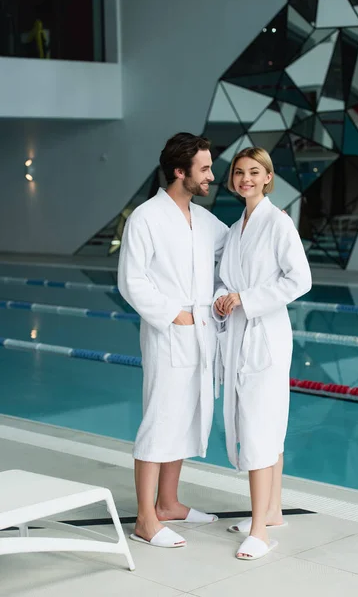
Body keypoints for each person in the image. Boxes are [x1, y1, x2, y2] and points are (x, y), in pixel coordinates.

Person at [118, 132, 228, 548]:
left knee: (184, 416)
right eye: (204, 168)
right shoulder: (146, 218)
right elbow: (132, 281)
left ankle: (168, 503)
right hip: (170, 333)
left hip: (200, 332)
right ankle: (146, 519)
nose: (211, 176)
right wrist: (175, 315)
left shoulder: (203, 220)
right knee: (159, 420)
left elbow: (234, 248)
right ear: (180, 171)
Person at [213, 147, 312, 561]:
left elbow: (300, 280)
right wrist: (224, 297)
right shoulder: (237, 228)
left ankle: (259, 531)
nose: (246, 178)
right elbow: (224, 280)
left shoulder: (277, 222)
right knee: (264, 422)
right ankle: (271, 511)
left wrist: (246, 299)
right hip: (241, 334)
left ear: (268, 177)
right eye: (239, 172)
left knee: (257, 425)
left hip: (266, 337)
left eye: (255, 172)